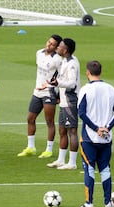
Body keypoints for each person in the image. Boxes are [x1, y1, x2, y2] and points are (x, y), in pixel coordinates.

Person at [76, 60, 114, 207]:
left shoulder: (85, 90)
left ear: (88, 72)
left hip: (89, 138)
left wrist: (96, 128)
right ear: (101, 72)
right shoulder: (111, 89)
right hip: (106, 138)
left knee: (89, 169)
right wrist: (107, 128)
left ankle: (89, 203)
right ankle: (108, 203)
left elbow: (81, 113)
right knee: (105, 169)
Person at [17, 35, 62, 158]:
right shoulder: (39, 53)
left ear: (57, 47)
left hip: (49, 92)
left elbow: (61, 77)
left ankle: (49, 150)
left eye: (52, 44)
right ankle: (31, 147)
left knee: (49, 122)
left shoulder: (58, 60)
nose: (48, 45)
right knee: (30, 118)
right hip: (37, 92)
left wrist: (58, 95)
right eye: (48, 42)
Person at [46, 38, 80, 170]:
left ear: (65, 50)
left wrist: (58, 83)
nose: (57, 48)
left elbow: (72, 83)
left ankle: (72, 163)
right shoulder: (66, 60)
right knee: (62, 130)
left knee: (72, 130)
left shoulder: (72, 64)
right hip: (64, 99)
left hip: (70, 100)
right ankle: (61, 159)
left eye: (59, 46)